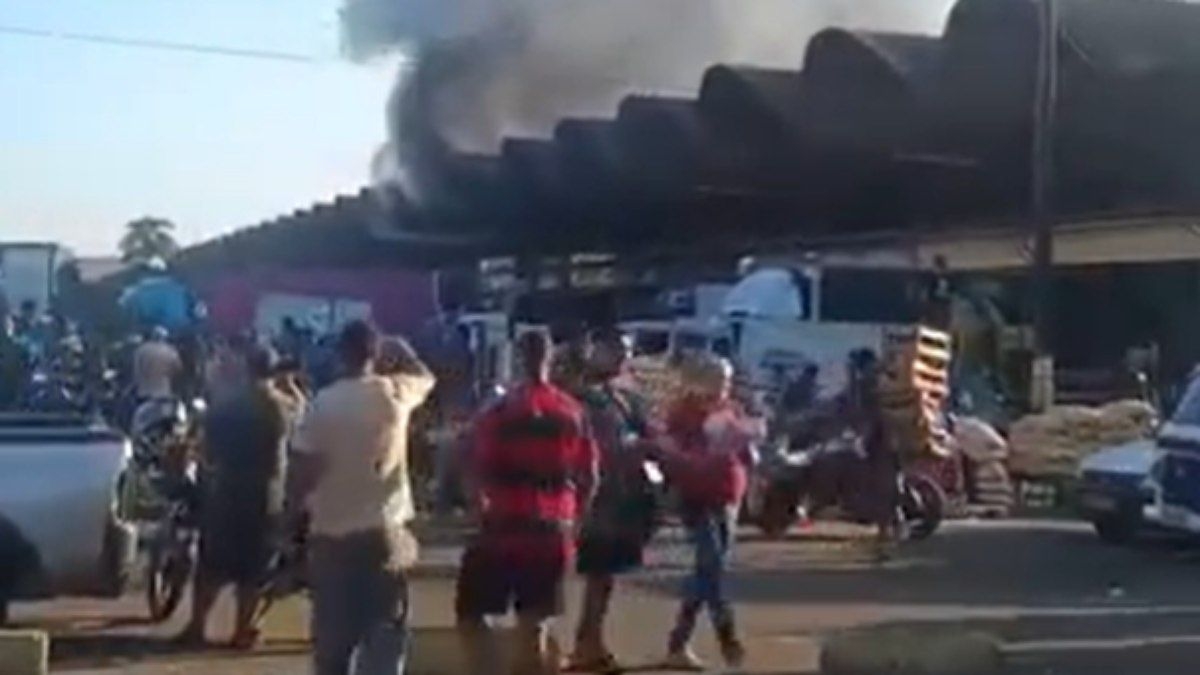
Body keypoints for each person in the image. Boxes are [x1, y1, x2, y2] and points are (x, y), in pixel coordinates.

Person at [290, 321, 435, 675]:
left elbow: (303, 472)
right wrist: (399, 348)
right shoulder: (395, 394)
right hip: (383, 533)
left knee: (332, 642)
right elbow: (425, 376)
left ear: (340, 354)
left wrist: (291, 521)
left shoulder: (323, 405)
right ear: (375, 354)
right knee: (385, 635)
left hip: (331, 534)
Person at [457, 331, 599, 675]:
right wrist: (577, 519)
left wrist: (477, 509)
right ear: (550, 360)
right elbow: (590, 475)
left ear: (518, 359)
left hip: (504, 523)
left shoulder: (500, 411)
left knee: (471, 612)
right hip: (553, 526)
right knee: (534, 622)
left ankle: (488, 667)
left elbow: (476, 467)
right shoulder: (571, 411)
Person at [178, 346, 294, 648]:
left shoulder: (226, 406)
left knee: (212, 563)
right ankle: (243, 630)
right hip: (266, 494)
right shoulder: (283, 407)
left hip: (227, 489)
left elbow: (208, 452)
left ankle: (196, 626)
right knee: (254, 569)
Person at [657, 354, 761, 670]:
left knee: (708, 572)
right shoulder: (682, 412)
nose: (723, 387)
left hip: (728, 496)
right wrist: (696, 452)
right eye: (718, 380)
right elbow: (668, 450)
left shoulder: (732, 409)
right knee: (711, 565)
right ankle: (726, 635)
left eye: (726, 381)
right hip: (696, 497)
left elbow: (747, 455)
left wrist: (749, 445)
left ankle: (678, 643)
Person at [567, 329, 659, 672]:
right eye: (615, 350)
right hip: (595, 499)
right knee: (595, 573)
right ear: (596, 352)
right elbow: (602, 445)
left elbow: (648, 432)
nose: (622, 357)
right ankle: (581, 645)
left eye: (627, 351)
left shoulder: (625, 397)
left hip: (624, 499)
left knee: (605, 577)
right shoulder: (582, 396)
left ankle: (591, 642)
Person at [132, 326, 182, 401]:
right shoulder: (170, 351)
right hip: (162, 391)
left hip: (144, 391)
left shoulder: (141, 350)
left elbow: (136, 369)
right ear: (164, 338)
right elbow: (178, 368)